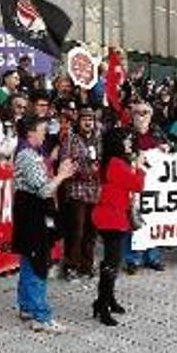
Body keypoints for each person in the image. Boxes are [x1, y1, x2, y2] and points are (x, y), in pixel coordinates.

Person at [11, 114, 76, 333]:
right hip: (31, 214)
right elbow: (43, 190)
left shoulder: (33, 154)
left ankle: (27, 307)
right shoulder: (27, 156)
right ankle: (41, 316)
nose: (45, 134)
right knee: (37, 262)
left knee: (30, 260)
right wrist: (61, 175)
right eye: (41, 130)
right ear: (30, 132)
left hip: (30, 212)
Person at [91, 127, 146, 326]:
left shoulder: (115, 162)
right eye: (126, 140)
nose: (129, 143)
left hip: (114, 215)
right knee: (111, 264)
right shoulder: (115, 163)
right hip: (110, 217)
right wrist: (139, 167)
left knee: (112, 262)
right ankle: (102, 305)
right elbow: (137, 185)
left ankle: (107, 300)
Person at [58, 106, 101, 281]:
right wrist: (82, 171)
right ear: (79, 121)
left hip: (94, 191)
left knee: (91, 231)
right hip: (77, 190)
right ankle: (71, 265)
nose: (88, 122)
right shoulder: (71, 139)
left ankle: (87, 264)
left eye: (90, 119)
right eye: (85, 119)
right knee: (76, 230)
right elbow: (64, 162)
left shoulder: (98, 140)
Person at [124, 101, 166, 273]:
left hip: (154, 184)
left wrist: (165, 149)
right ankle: (132, 259)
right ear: (132, 115)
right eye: (138, 113)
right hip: (133, 183)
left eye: (145, 113)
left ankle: (152, 257)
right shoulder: (126, 134)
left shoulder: (157, 133)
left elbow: (171, 150)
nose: (142, 116)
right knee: (132, 220)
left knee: (153, 218)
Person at [0, 93, 27, 162]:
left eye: (24, 108)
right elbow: (1, 151)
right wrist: (10, 130)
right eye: (18, 107)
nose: (22, 111)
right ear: (9, 106)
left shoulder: (22, 124)